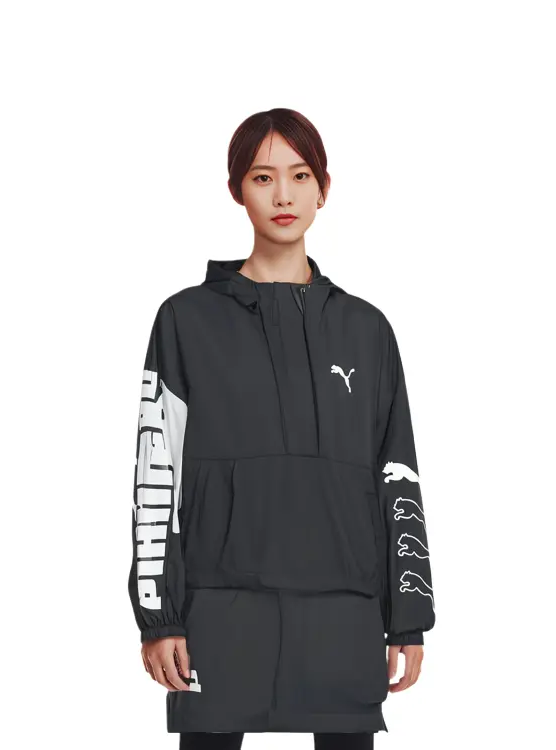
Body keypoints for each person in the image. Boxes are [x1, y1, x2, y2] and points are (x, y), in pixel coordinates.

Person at [128, 108, 436, 749]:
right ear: (237, 189)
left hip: (345, 614)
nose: (283, 195)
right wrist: (159, 616)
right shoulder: (185, 320)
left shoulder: (367, 330)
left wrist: (408, 616)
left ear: (324, 188)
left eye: (300, 176)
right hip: (218, 614)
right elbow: (157, 470)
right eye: (263, 177)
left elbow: (396, 471)